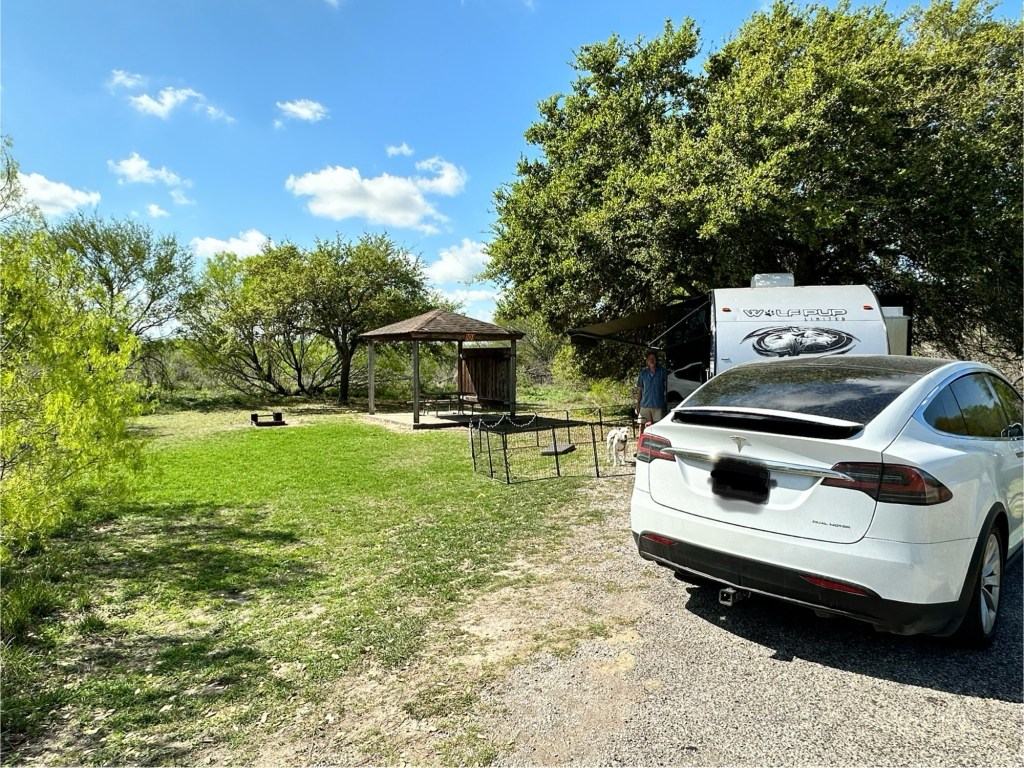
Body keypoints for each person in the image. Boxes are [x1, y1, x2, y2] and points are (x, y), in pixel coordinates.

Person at [635, 351, 667, 427]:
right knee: (642, 426)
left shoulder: (662, 372)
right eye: (650, 358)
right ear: (647, 361)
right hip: (645, 405)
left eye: (654, 358)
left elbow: (668, 387)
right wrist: (637, 404)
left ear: (656, 360)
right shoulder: (643, 373)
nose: (652, 360)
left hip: (658, 405)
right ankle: (640, 439)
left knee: (658, 427)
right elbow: (640, 390)